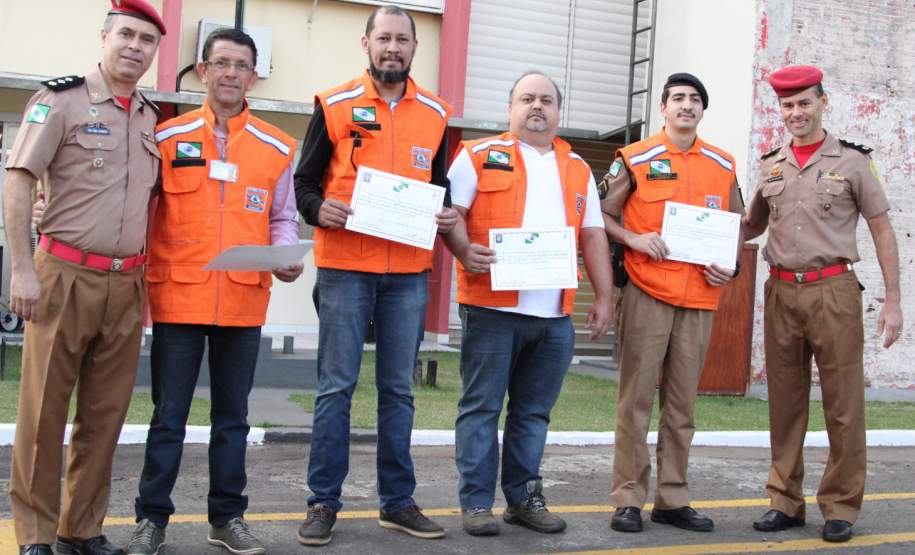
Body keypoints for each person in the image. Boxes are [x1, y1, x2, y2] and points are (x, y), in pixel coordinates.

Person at [121, 28, 303, 555]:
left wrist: (286, 255)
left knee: (233, 420)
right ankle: (150, 520)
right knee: (168, 418)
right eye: (220, 63)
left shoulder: (275, 147)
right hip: (178, 298)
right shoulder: (168, 138)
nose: (230, 73)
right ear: (203, 71)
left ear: (253, 75)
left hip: (244, 300)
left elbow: (283, 217)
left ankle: (227, 518)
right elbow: (140, 208)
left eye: (241, 65)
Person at [2, 2, 165, 554]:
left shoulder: (148, 117)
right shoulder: (60, 100)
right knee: (43, 413)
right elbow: (20, 180)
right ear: (104, 37)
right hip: (62, 274)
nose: (135, 46)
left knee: (104, 416)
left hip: (126, 283)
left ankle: (83, 528)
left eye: (147, 39)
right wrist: (21, 267)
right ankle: (36, 536)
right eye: (126, 34)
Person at [293, 5, 457, 546]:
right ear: (366, 44)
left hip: (408, 274)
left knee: (398, 393)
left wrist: (448, 214)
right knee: (335, 388)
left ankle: (397, 502)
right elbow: (305, 184)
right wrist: (320, 210)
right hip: (344, 270)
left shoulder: (435, 113)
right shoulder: (334, 104)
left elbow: (440, 191)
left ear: (415, 48)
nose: (393, 47)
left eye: (402, 40)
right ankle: (323, 502)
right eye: (383, 38)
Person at [444, 71, 613, 537]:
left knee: (533, 413)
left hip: (554, 317)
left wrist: (603, 295)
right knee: (480, 407)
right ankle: (477, 503)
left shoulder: (578, 167)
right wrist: (462, 250)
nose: (536, 106)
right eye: (526, 99)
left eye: (546, 100)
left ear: (559, 112)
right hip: (492, 310)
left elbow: (593, 234)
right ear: (510, 108)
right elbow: (451, 216)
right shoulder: (476, 155)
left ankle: (523, 499)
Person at [742, 65, 903, 543]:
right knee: (784, 404)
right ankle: (784, 502)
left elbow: (882, 229)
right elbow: (749, 227)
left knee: (843, 405)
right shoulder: (771, 165)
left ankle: (840, 507)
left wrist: (892, 300)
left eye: (804, 103)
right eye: (788, 105)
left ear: (822, 102)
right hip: (780, 293)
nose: (796, 113)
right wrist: (698, 233)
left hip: (833, 292)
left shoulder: (852, 162)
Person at [600, 73, 743, 534]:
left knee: (682, 406)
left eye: (694, 99)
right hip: (647, 293)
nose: (686, 105)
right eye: (678, 98)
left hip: (699, 298)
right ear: (663, 108)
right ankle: (627, 498)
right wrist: (633, 238)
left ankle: (673, 498)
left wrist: (731, 266)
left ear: (703, 110)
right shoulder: (636, 158)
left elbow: (734, 226)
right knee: (635, 401)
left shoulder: (722, 165)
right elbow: (601, 214)